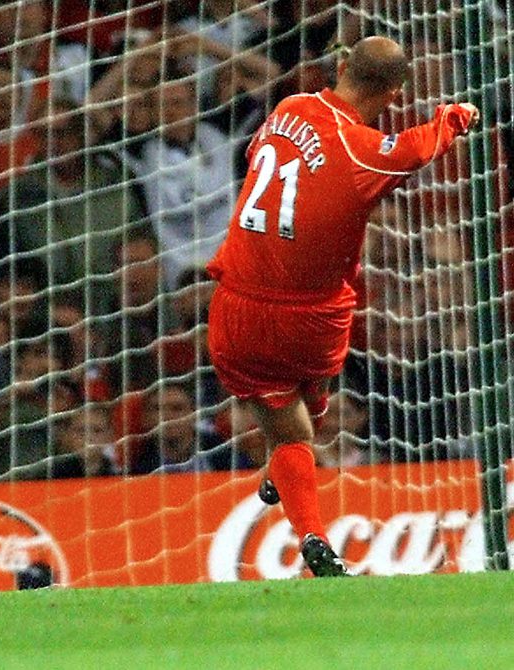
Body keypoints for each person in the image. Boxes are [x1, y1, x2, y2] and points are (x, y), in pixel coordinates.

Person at [205, 36, 479, 577]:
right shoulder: (363, 151)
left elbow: (265, 159)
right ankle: (311, 530)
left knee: (288, 427)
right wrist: (455, 116)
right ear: (395, 91)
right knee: (300, 425)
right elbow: (419, 146)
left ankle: (291, 488)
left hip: (239, 302)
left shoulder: (289, 107)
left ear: (342, 65)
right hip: (313, 318)